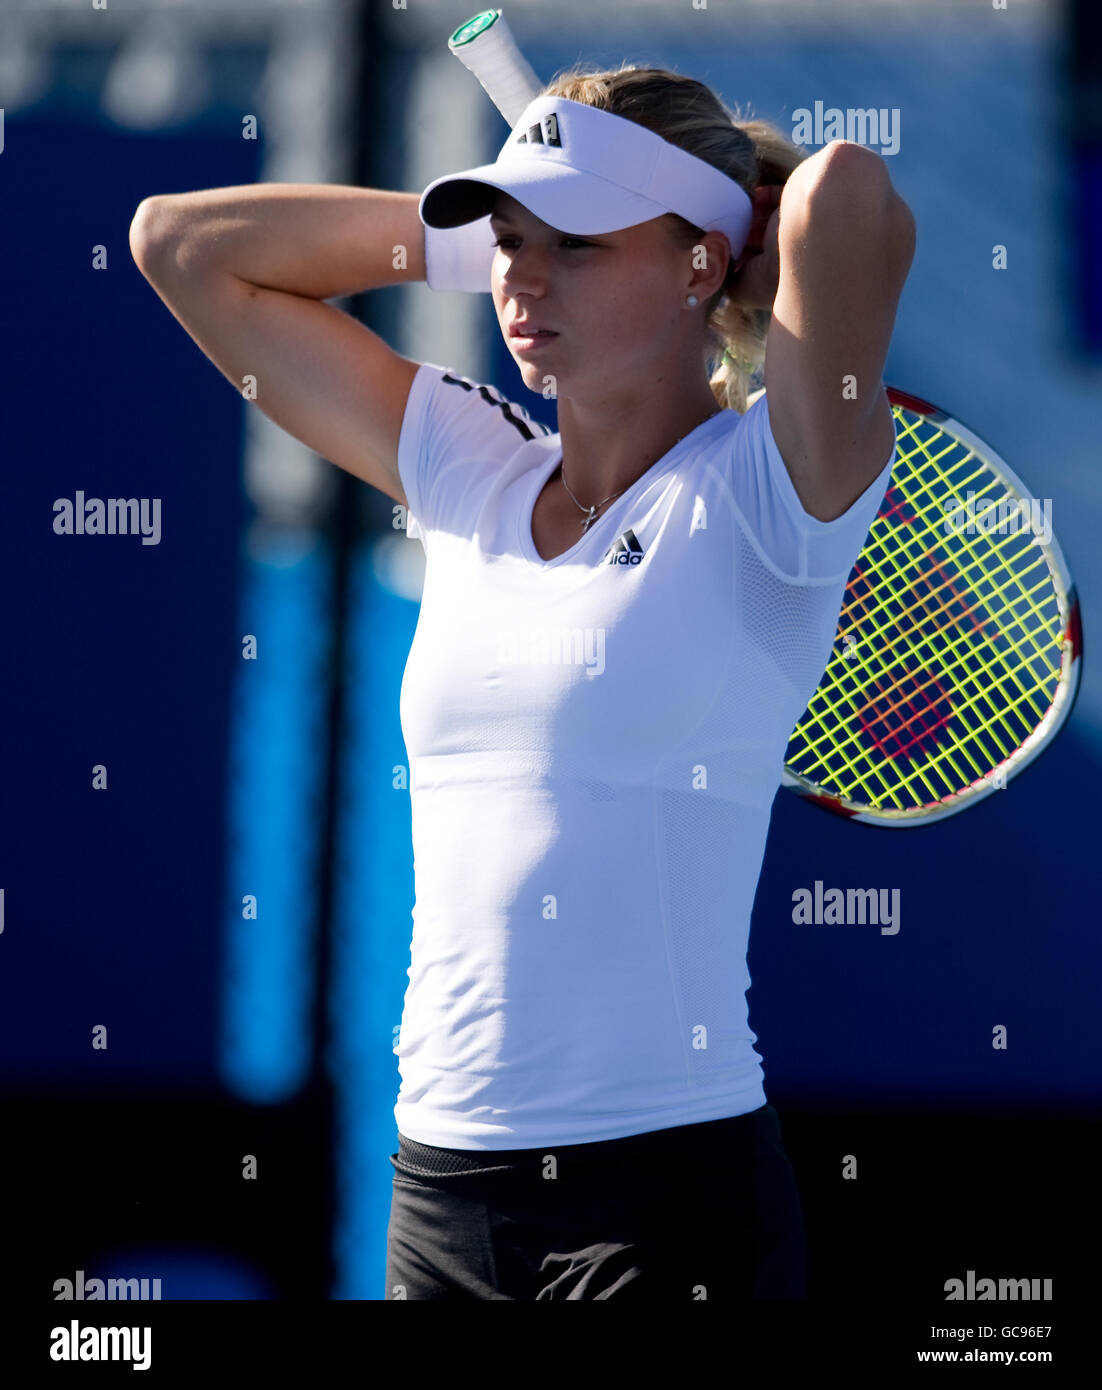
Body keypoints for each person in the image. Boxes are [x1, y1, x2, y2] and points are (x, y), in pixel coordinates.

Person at [129, 61, 915, 1301]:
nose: (522, 278)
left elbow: (848, 195)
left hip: (666, 1201)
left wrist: (733, 216)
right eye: (507, 242)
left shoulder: (775, 491)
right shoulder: (468, 467)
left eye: (574, 246)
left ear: (701, 263)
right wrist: (478, 240)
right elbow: (179, 245)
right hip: (439, 1193)